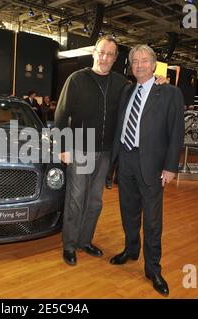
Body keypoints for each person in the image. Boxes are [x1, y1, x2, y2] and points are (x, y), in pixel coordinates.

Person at [109, 44, 184, 297]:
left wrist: (171, 167)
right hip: (126, 160)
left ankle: (153, 269)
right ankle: (131, 251)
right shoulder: (127, 91)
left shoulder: (170, 93)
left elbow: (176, 132)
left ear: (154, 64)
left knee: (152, 221)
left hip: (152, 165)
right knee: (128, 213)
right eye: (135, 61)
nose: (139, 65)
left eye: (144, 60)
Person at [55, 35, 127, 267]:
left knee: (95, 201)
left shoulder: (121, 83)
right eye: (102, 52)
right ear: (94, 53)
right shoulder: (77, 79)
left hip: (105, 153)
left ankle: (85, 240)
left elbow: (142, 94)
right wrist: (62, 148)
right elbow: (60, 115)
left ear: (115, 58)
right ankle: (69, 244)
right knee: (76, 199)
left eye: (110, 54)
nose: (105, 58)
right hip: (79, 150)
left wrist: (159, 81)